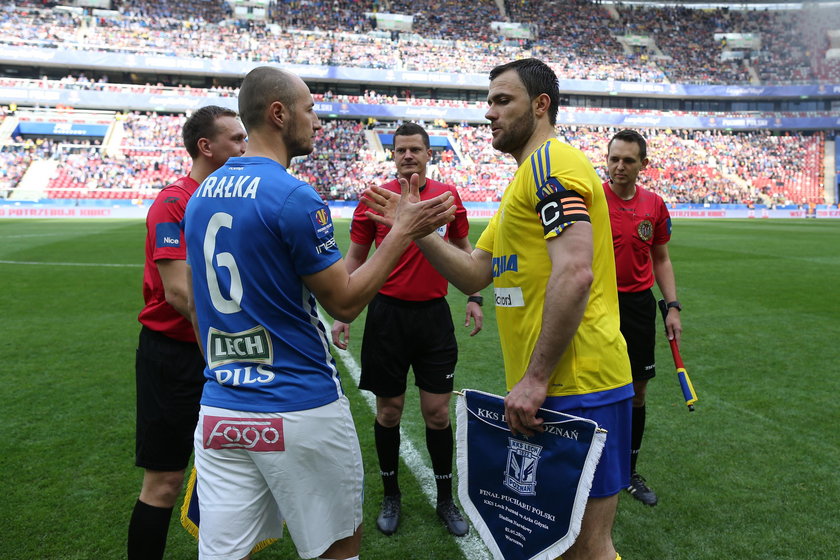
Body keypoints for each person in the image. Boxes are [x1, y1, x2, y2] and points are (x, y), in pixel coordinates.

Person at [362, 58, 633, 560]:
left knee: (584, 549)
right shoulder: (520, 184)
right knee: (557, 546)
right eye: (488, 101)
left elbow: (575, 273)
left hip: (580, 384)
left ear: (540, 105)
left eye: (502, 101)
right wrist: (413, 229)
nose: (489, 112)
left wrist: (535, 378)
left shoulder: (554, 165)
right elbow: (474, 272)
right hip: (552, 385)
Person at [182, 66, 456, 560]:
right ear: (279, 113)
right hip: (298, 404)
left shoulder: (201, 195)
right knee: (335, 549)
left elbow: (200, 309)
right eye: (309, 109)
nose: (316, 120)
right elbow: (344, 301)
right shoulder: (293, 195)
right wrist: (403, 231)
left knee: (220, 554)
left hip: (221, 407)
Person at [330, 122, 482, 538]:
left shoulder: (447, 198)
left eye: (416, 149)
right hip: (386, 317)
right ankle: (391, 493)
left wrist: (474, 297)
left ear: (429, 154)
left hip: (433, 318)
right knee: (389, 411)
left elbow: (466, 254)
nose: (408, 155)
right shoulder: (374, 199)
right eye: (401, 150)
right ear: (392, 154)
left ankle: (446, 499)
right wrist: (343, 314)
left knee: (436, 413)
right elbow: (355, 259)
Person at [129, 105, 247, 560]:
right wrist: (224, 354)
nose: (244, 146)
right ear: (206, 146)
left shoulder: (229, 200)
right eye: (235, 140)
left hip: (218, 350)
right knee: (165, 481)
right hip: (177, 356)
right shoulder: (173, 201)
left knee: (230, 472)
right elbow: (180, 293)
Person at [604, 129, 682, 507]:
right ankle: (591, 466)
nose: (620, 166)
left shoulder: (654, 204)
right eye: (614, 158)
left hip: (637, 306)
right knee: (591, 387)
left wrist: (672, 306)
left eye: (628, 160)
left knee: (636, 391)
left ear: (642, 165)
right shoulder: (590, 199)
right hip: (596, 304)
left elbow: (661, 259)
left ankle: (628, 472)